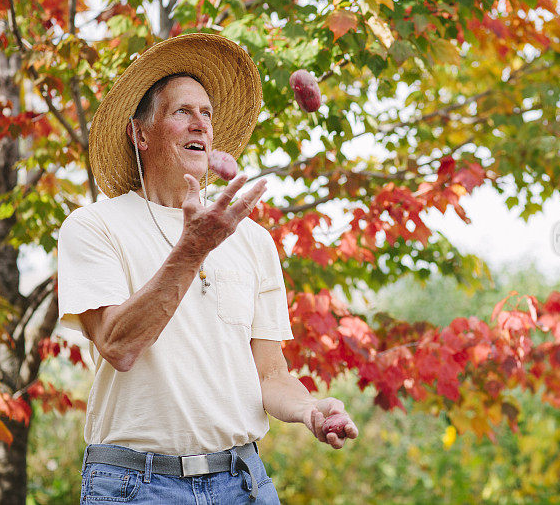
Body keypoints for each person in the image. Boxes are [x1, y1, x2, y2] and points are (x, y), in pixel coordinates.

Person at [57, 33, 357, 504]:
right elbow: (118, 344)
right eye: (182, 112)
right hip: (137, 486)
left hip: (242, 480)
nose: (200, 123)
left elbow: (270, 374)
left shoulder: (253, 240)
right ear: (141, 133)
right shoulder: (95, 226)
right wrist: (193, 249)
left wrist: (310, 409)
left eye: (207, 114)